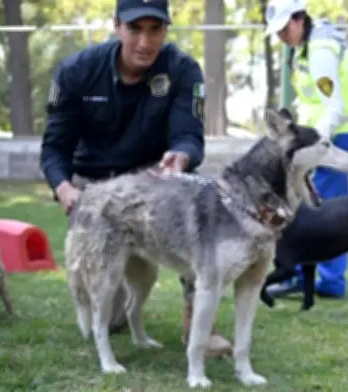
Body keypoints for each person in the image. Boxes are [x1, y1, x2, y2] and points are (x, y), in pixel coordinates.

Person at [39, 0, 232, 357]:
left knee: (199, 212)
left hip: (153, 179)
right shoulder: (76, 71)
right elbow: (54, 148)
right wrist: (64, 189)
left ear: (166, 29)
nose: (145, 41)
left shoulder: (183, 69)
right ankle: (114, 308)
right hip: (96, 186)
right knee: (108, 314)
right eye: (135, 28)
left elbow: (189, 136)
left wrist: (181, 157)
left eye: (155, 29)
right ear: (117, 26)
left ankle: (200, 325)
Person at [263, 0, 348, 300]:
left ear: (299, 19)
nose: (281, 37)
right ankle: (307, 274)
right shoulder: (306, 46)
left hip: (336, 136)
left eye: (284, 29)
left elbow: (332, 107)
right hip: (325, 136)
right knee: (313, 207)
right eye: (277, 32)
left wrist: (314, 147)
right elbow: (313, 100)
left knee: (324, 210)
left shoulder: (321, 49)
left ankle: (325, 280)